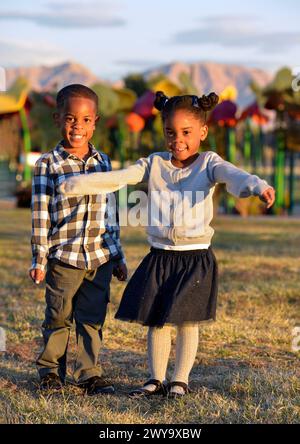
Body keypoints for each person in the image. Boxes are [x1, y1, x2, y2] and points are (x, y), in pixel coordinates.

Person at [60, 91, 275, 398]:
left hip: (195, 257)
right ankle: (155, 379)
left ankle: (180, 380)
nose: (178, 140)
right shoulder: (154, 164)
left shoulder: (209, 163)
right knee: (157, 320)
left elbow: (234, 176)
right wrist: (78, 184)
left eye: (186, 133)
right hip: (161, 255)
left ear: (202, 131)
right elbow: (119, 178)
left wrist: (258, 186)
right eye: (170, 133)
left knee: (187, 321)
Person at [29, 84, 127, 395]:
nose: (78, 127)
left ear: (95, 121)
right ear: (58, 119)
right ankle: (50, 371)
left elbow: (110, 213)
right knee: (58, 315)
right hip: (64, 258)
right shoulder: (48, 164)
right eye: (71, 119)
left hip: (98, 259)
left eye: (85, 120)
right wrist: (39, 258)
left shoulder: (103, 163)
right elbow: (41, 214)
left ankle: (89, 373)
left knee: (92, 318)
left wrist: (118, 256)